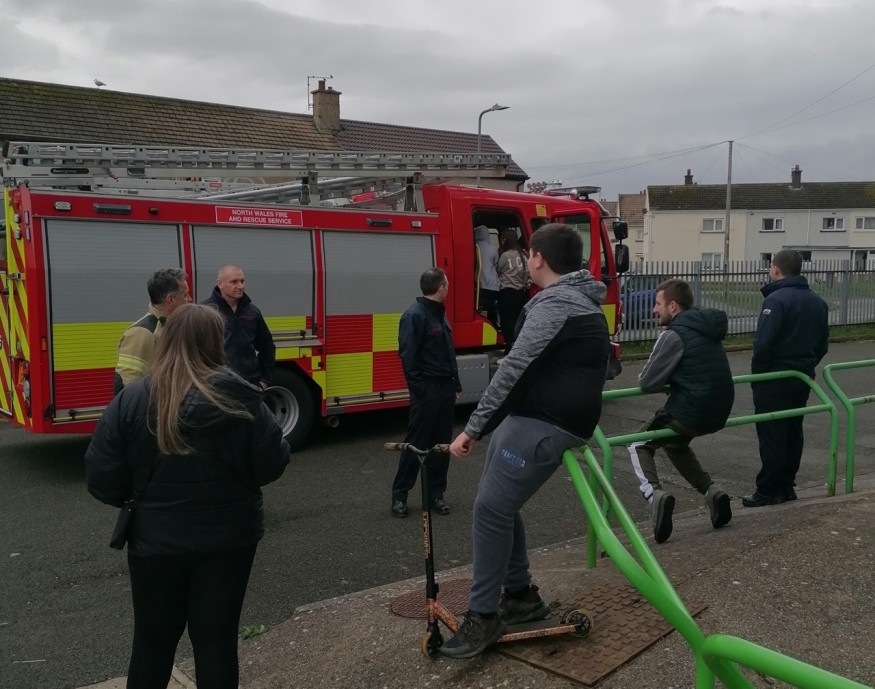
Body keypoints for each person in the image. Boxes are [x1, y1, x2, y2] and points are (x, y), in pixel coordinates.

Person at [85, 304, 290, 689]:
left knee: (152, 643)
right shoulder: (242, 399)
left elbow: (100, 477)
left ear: (167, 340)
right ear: (217, 343)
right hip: (230, 540)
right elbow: (272, 464)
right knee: (216, 642)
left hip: (153, 543)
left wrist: (142, 502)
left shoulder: (131, 400)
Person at [442, 223, 610, 659]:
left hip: (547, 422)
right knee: (498, 505)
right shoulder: (579, 300)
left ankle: (483, 615)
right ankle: (519, 596)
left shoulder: (556, 304)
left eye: (529, 254)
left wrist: (472, 429)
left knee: (491, 508)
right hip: (537, 416)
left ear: (537, 258)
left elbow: (514, 368)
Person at [626, 279, 735, 544]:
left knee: (637, 444)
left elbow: (647, 381)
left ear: (673, 306)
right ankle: (711, 492)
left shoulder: (673, 334)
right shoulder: (705, 327)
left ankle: (654, 496)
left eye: (658, 303)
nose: (654, 310)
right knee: (674, 443)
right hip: (719, 408)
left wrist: (665, 379)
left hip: (691, 409)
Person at [743, 249, 829, 507]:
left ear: (776, 268)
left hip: (775, 376)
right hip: (802, 375)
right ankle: (786, 485)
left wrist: (759, 374)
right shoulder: (817, 301)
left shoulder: (776, 301)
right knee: (792, 430)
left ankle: (768, 489)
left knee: (772, 433)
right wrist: (806, 364)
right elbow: (822, 344)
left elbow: (764, 344)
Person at [391, 268, 461, 518]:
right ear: (441, 287)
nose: (448, 288)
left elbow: (448, 352)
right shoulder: (414, 315)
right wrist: (420, 391)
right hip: (426, 391)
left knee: (441, 445)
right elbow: (408, 357)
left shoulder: (439, 313)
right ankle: (400, 496)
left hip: (444, 389)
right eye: (447, 284)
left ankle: (436, 495)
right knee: (417, 444)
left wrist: (456, 385)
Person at [114, 268, 190, 394]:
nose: (190, 299)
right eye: (185, 295)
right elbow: (127, 384)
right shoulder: (142, 333)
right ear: (170, 299)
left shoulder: (174, 326)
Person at [201, 264, 276, 390]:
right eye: (234, 282)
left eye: (242, 281)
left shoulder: (252, 312)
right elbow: (193, 350)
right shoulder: (205, 311)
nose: (240, 286)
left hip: (249, 385)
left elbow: (267, 346)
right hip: (217, 386)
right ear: (219, 283)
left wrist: (264, 380)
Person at [496, 230, 530, 350]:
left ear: (505, 240)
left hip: (507, 293)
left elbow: (498, 270)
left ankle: (509, 346)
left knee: (507, 321)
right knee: (518, 321)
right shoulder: (523, 255)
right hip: (521, 293)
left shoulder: (505, 255)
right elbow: (528, 273)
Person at [474, 225, 500, 325]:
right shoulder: (493, 249)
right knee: (491, 309)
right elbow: (496, 264)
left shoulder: (474, 247)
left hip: (479, 284)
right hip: (493, 284)